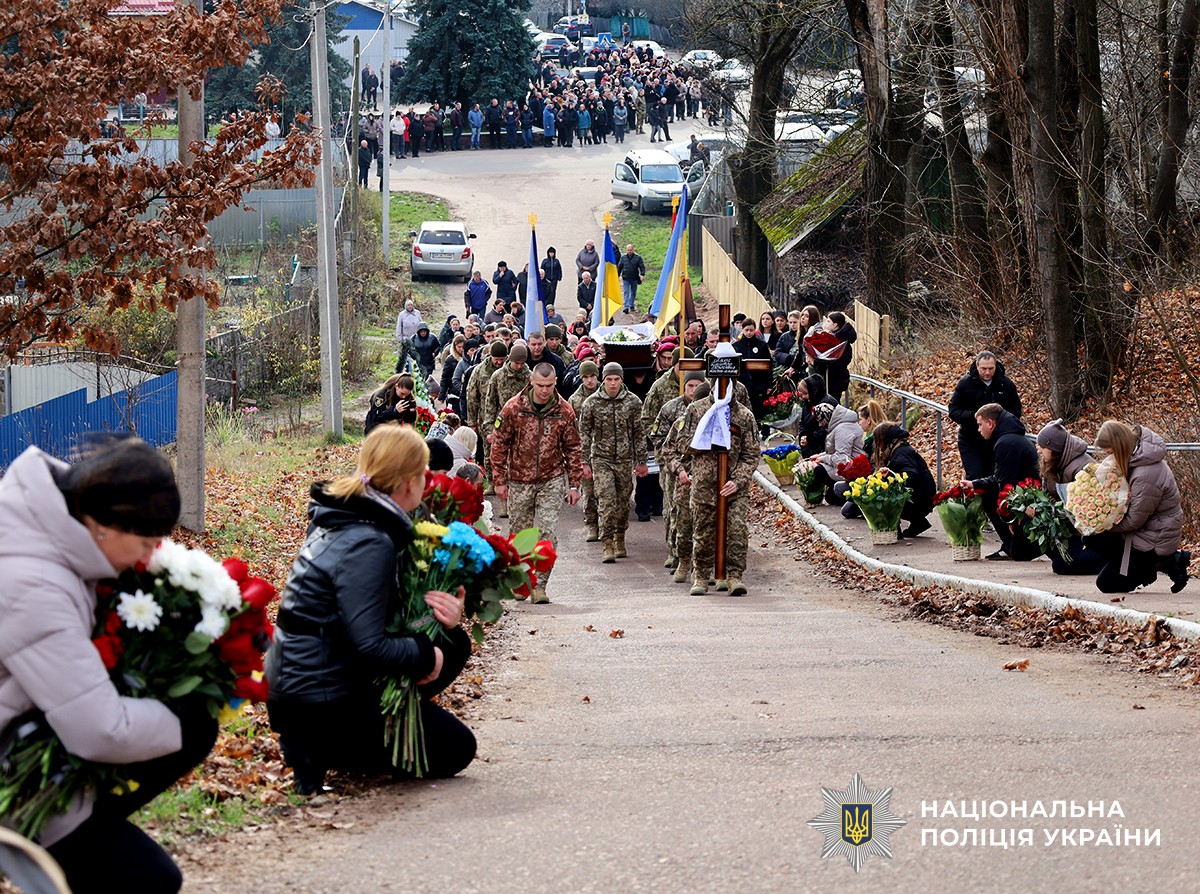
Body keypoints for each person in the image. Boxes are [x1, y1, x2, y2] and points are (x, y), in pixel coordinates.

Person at [0, 438, 216, 894]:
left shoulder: (50, 524)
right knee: (147, 879)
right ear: (105, 524)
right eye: (144, 543)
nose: (147, 557)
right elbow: (101, 730)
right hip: (12, 776)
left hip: (30, 735)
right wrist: (182, 720)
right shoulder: (32, 583)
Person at [266, 426, 476, 794]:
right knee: (457, 748)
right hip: (320, 704)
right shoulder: (369, 540)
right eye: (423, 474)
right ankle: (324, 749)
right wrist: (426, 655)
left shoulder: (345, 518)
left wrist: (442, 617)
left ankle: (337, 743)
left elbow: (373, 615)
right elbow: (368, 645)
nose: (427, 482)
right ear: (408, 483)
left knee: (454, 642)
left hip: (303, 690)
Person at [490, 363, 585, 604]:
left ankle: (540, 585)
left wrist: (574, 484)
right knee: (520, 535)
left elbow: (573, 447)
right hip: (519, 479)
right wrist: (499, 480)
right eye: (541, 385)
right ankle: (521, 582)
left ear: (555, 383)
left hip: (551, 479)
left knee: (547, 534)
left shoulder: (564, 410)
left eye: (549, 385)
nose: (545, 390)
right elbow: (499, 444)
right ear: (531, 381)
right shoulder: (514, 407)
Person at [675, 381, 761, 596]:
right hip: (704, 484)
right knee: (703, 532)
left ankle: (734, 577)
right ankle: (702, 576)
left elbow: (751, 454)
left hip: (734, 488)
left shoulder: (744, 415)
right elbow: (682, 443)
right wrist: (706, 437)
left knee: (737, 530)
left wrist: (738, 480)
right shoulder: (696, 410)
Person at [1088, 421, 1189, 594]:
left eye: (1111, 453)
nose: (1109, 458)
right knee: (1091, 537)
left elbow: (1135, 521)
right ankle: (1137, 565)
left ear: (1120, 447)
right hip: (1143, 531)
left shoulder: (1146, 473)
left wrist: (1103, 524)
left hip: (1155, 537)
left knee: (1106, 584)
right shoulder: (1134, 459)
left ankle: (1161, 562)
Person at [579, 362, 649, 563]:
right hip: (601, 459)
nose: (612, 383)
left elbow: (639, 433)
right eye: (609, 379)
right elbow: (584, 434)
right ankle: (607, 542)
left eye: (616, 379)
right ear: (603, 380)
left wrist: (642, 460)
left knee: (623, 503)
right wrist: (584, 461)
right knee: (606, 500)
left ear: (621, 380)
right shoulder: (591, 403)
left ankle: (620, 537)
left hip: (625, 460)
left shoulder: (633, 402)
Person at [962, 402, 1039, 561]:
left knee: (989, 496)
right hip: (1028, 495)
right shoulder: (1010, 438)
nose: (978, 429)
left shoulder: (1005, 443)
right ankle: (1011, 544)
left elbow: (1005, 485)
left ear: (990, 423)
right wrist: (975, 484)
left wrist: (1010, 518)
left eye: (980, 424)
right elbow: (1001, 477)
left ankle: (1011, 544)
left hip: (1029, 502)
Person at [1034, 420, 1106, 575]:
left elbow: (1091, 506)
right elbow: (1048, 494)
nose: (1038, 450)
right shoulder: (1051, 463)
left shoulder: (1082, 467)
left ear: (1054, 448)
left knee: (1062, 565)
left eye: (1042, 446)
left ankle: (1108, 560)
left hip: (1090, 532)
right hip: (1070, 526)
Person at [654, 369, 704, 579]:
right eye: (690, 386)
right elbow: (662, 441)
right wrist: (674, 467)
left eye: (697, 386)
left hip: (705, 479)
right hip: (677, 474)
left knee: (704, 522)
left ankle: (702, 565)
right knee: (676, 514)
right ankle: (678, 555)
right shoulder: (673, 411)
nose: (693, 391)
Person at [948, 351, 1023, 480]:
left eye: (991, 368)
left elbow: (1015, 410)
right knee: (975, 476)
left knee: (994, 477)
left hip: (996, 439)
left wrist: (998, 421)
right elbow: (954, 411)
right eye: (983, 369)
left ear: (996, 366)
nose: (987, 372)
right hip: (971, 439)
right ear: (977, 366)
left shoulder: (1005, 384)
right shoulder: (965, 384)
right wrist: (975, 417)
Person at [871, 423, 935, 538]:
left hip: (921, 499)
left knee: (883, 496)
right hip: (925, 495)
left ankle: (895, 527)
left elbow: (911, 476)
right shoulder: (901, 449)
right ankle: (918, 522)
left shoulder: (901, 454)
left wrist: (890, 478)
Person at [806, 401, 866, 505]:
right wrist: (820, 456)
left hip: (855, 468)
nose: (820, 424)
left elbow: (842, 459)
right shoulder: (840, 425)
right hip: (852, 463)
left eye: (820, 421)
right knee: (830, 497)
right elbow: (835, 451)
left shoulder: (842, 429)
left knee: (819, 471)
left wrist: (823, 459)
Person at [569, 360, 602, 541]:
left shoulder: (605, 393)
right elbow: (571, 429)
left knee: (606, 492)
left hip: (605, 450)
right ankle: (591, 524)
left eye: (593, 376)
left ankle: (606, 526)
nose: (590, 380)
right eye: (586, 377)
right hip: (585, 451)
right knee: (589, 492)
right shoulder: (575, 400)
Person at [810, 311, 857, 405]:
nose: (826, 323)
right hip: (828, 378)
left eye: (828, 321)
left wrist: (816, 363)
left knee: (832, 403)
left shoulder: (842, 342)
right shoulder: (830, 337)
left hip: (835, 380)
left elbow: (839, 363)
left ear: (835, 325)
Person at [617, 243, 645, 314]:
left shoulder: (638, 258)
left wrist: (642, 274)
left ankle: (631, 305)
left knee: (633, 292)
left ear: (633, 250)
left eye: (630, 250)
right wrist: (617, 275)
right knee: (626, 292)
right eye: (628, 250)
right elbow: (620, 267)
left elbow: (642, 267)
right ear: (626, 250)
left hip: (634, 278)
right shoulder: (623, 258)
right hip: (626, 278)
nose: (629, 251)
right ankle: (626, 307)